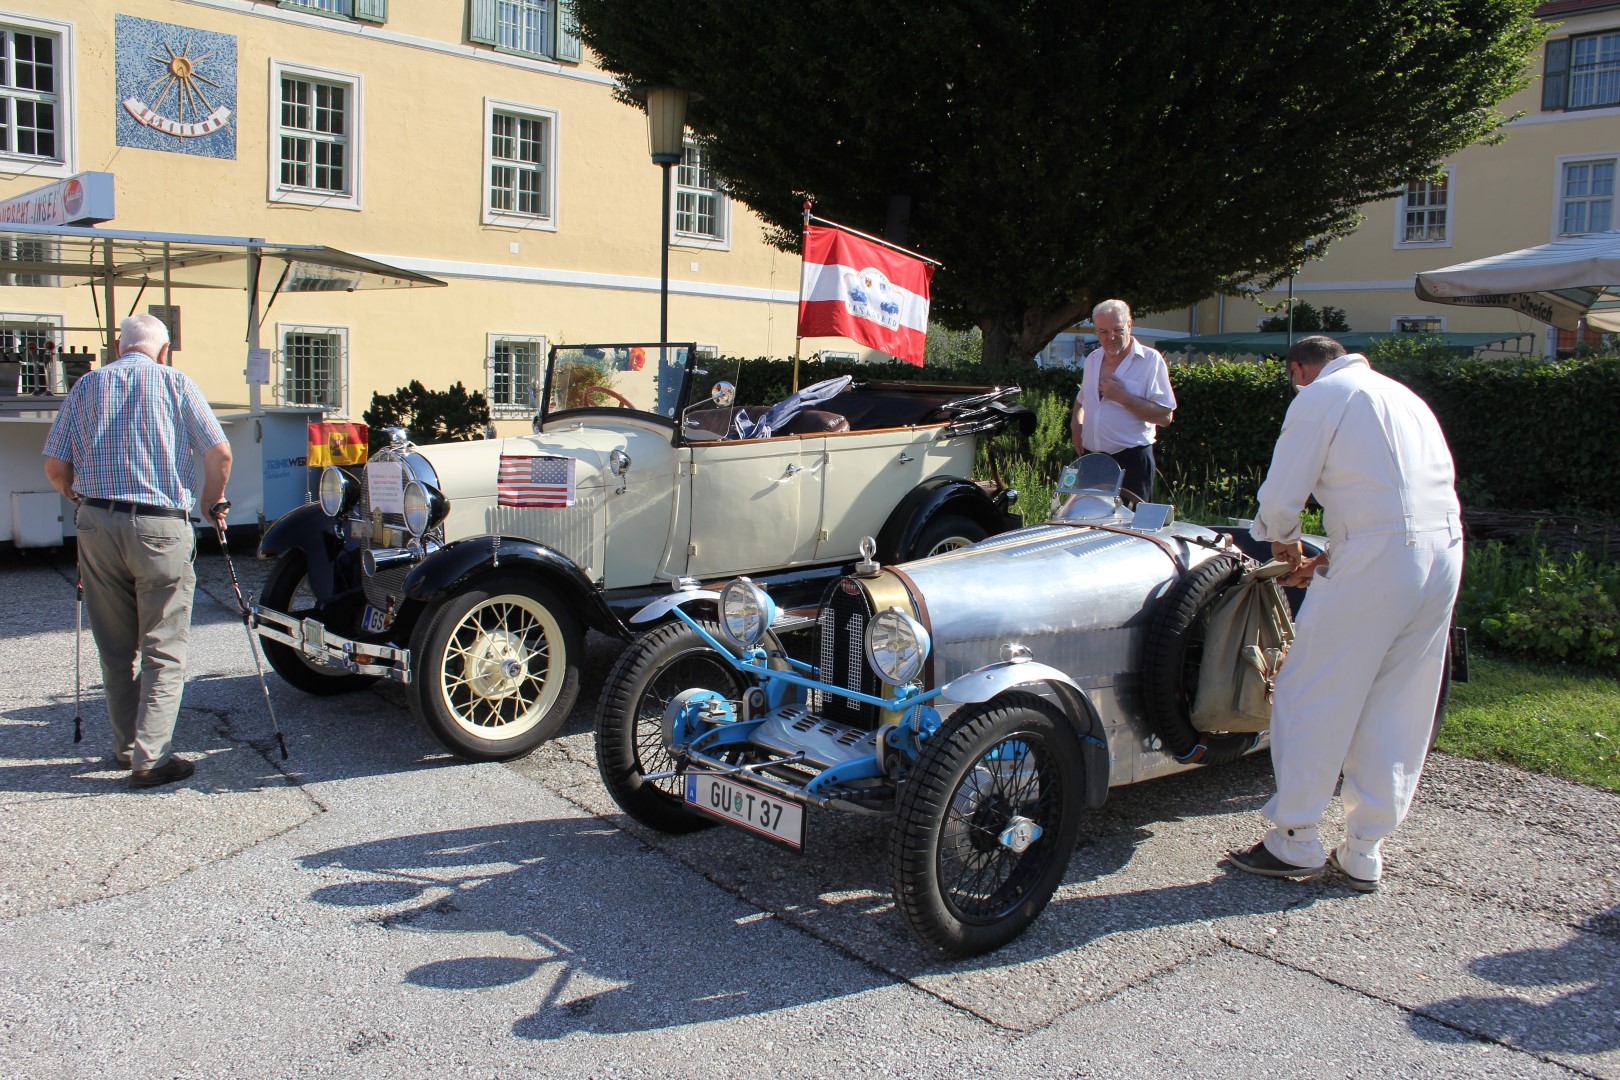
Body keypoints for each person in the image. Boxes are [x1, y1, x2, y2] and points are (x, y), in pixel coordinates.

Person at [1227, 335, 1462, 892]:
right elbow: (1398, 503)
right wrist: (1337, 555)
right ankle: (1364, 849)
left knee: (1313, 688)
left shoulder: (1322, 394)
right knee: (1398, 698)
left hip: (1380, 556)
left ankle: (1296, 837)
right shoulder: (1405, 396)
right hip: (1443, 552)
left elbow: (1283, 495)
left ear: (1299, 368)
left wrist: (1286, 547)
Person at [42, 314, 232, 789]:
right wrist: (211, 502)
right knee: (163, 646)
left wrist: (73, 496)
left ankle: (125, 746)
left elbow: (54, 466)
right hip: (159, 525)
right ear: (163, 350)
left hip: (97, 521)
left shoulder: (87, 387)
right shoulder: (175, 383)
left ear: (117, 346)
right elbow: (220, 453)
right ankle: (152, 757)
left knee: (114, 644)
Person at [1068, 298, 1176, 502]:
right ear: (1096, 332)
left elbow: (1165, 416)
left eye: (1117, 329)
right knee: (1089, 526)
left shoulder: (1150, 360)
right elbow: (1083, 397)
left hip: (1131, 462)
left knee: (1130, 530)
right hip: (1092, 461)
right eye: (1103, 331)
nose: (1111, 337)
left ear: (1129, 324)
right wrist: (1076, 424)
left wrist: (1123, 397)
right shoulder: (1092, 359)